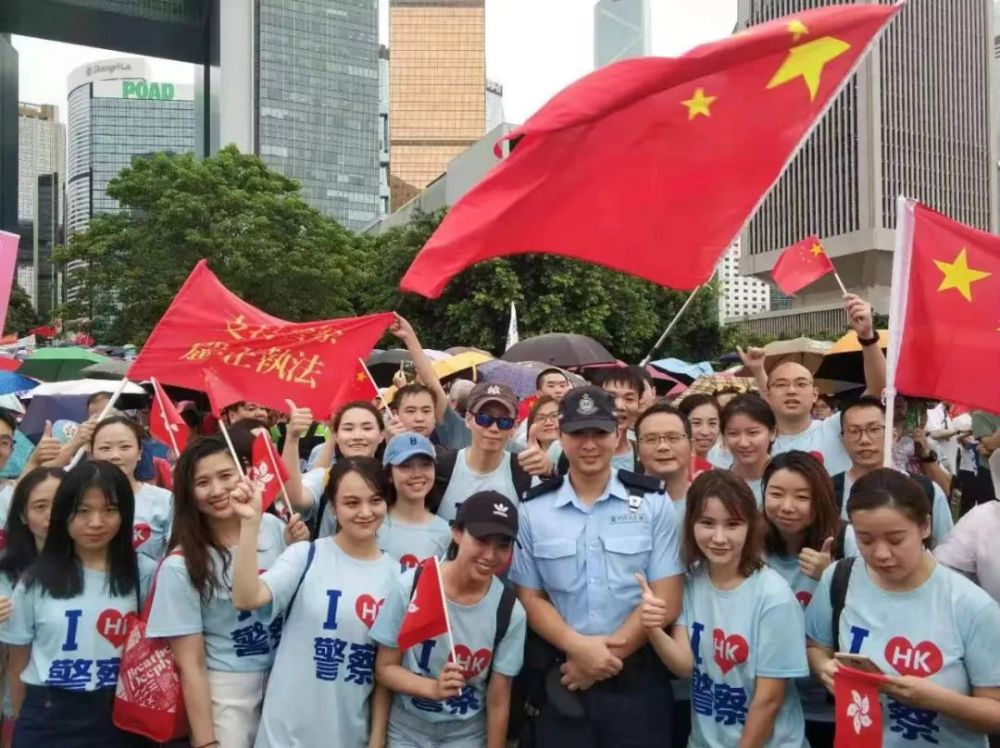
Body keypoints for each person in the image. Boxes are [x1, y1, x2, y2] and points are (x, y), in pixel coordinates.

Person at [510, 386, 684, 747]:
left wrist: (603, 659)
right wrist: (579, 649)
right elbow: (530, 596)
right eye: (577, 433)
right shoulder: (533, 509)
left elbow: (668, 595)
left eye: (599, 432)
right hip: (564, 677)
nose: (589, 444)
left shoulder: (652, 501)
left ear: (618, 434)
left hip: (638, 677)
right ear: (560, 435)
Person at [805, 469, 1000, 747]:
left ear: (925, 527)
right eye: (866, 540)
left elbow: (994, 712)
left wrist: (934, 699)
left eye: (896, 539)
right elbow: (815, 645)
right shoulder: (839, 578)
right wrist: (824, 667)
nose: (881, 553)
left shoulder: (972, 606)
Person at [145, 437, 308, 748]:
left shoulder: (273, 528)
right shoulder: (180, 566)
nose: (217, 490)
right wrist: (206, 741)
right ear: (188, 494)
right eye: (202, 482)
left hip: (286, 680)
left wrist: (296, 546)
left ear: (244, 473)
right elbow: (190, 664)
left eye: (225, 475)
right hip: (228, 693)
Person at [230, 457, 400, 748]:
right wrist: (249, 525)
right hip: (283, 734)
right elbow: (246, 598)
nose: (365, 512)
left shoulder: (399, 577)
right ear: (333, 507)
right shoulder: (305, 556)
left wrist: (376, 738)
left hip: (347, 734)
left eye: (375, 500)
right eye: (351, 503)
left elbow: (386, 671)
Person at [1, 461, 155, 747]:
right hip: (48, 716)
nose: (95, 522)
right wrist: (22, 719)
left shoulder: (144, 573)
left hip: (122, 716)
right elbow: (17, 662)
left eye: (109, 510)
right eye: (82, 511)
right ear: (64, 514)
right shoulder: (35, 580)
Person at [372, 491, 528, 747]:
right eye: (481, 539)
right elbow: (385, 668)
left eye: (503, 545)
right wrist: (432, 689)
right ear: (457, 532)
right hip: (406, 729)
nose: (490, 555)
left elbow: (498, 698)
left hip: (466, 733)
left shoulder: (510, 612)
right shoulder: (412, 586)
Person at [679, 470, 809, 747]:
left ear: (751, 526)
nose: (719, 537)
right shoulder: (691, 583)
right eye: (707, 523)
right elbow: (683, 665)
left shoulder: (774, 596)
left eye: (733, 524)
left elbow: (769, 699)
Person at [739, 294, 886, 475]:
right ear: (768, 394)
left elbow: (877, 391)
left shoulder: (835, 428)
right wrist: (758, 371)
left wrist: (867, 337)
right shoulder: (756, 444)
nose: (791, 391)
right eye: (781, 385)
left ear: (815, 394)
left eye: (801, 384)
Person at [761, 451, 840, 747]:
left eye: (802, 497)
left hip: (830, 708)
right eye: (776, 494)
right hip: (771, 705)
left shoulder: (846, 546)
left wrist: (830, 574)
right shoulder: (748, 550)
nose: (787, 507)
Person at [832, 397, 954, 543]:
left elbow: (946, 550)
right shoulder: (829, 491)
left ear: (894, 436)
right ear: (842, 439)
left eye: (874, 429)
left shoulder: (926, 490)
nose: (864, 439)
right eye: (854, 431)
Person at [0, 467, 62, 745]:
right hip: (26, 704)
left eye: (62, 503)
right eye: (40, 506)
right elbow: (15, 659)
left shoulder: (105, 568)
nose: (53, 514)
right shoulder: (7, 571)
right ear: (23, 516)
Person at [435, 383, 533, 521]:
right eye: (484, 418)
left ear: (514, 427)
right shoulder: (443, 468)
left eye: (504, 422)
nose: (493, 428)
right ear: (468, 419)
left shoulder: (524, 472)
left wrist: (550, 472)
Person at [90, 415, 173, 560]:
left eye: (125, 447)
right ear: (92, 455)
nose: (115, 455)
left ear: (140, 453)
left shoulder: (165, 500)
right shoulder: (79, 500)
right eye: (105, 448)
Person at [379, 432, 451, 572]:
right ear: (389, 474)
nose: (417, 474)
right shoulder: (373, 525)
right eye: (405, 466)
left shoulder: (446, 533)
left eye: (425, 465)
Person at [635, 402, 692, 517]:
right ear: (637, 449)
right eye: (651, 439)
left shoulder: (707, 500)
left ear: (692, 445)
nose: (663, 447)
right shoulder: (623, 503)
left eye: (673, 438)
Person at [721, 394, 777, 504]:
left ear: (772, 433)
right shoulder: (719, 484)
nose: (743, 443)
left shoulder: (789, 479)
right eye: (733, 433)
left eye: (753, 433)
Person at [592, 368, 645, 472]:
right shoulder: (564, 450)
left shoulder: (643, 455)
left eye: (629, 399)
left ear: (639, 403)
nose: (620, 406)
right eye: (611, 398)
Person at [678, 394, 725, 471]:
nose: (705, 432)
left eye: (712, 423)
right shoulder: (669, 471)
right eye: (696, 423)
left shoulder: (722, 473)